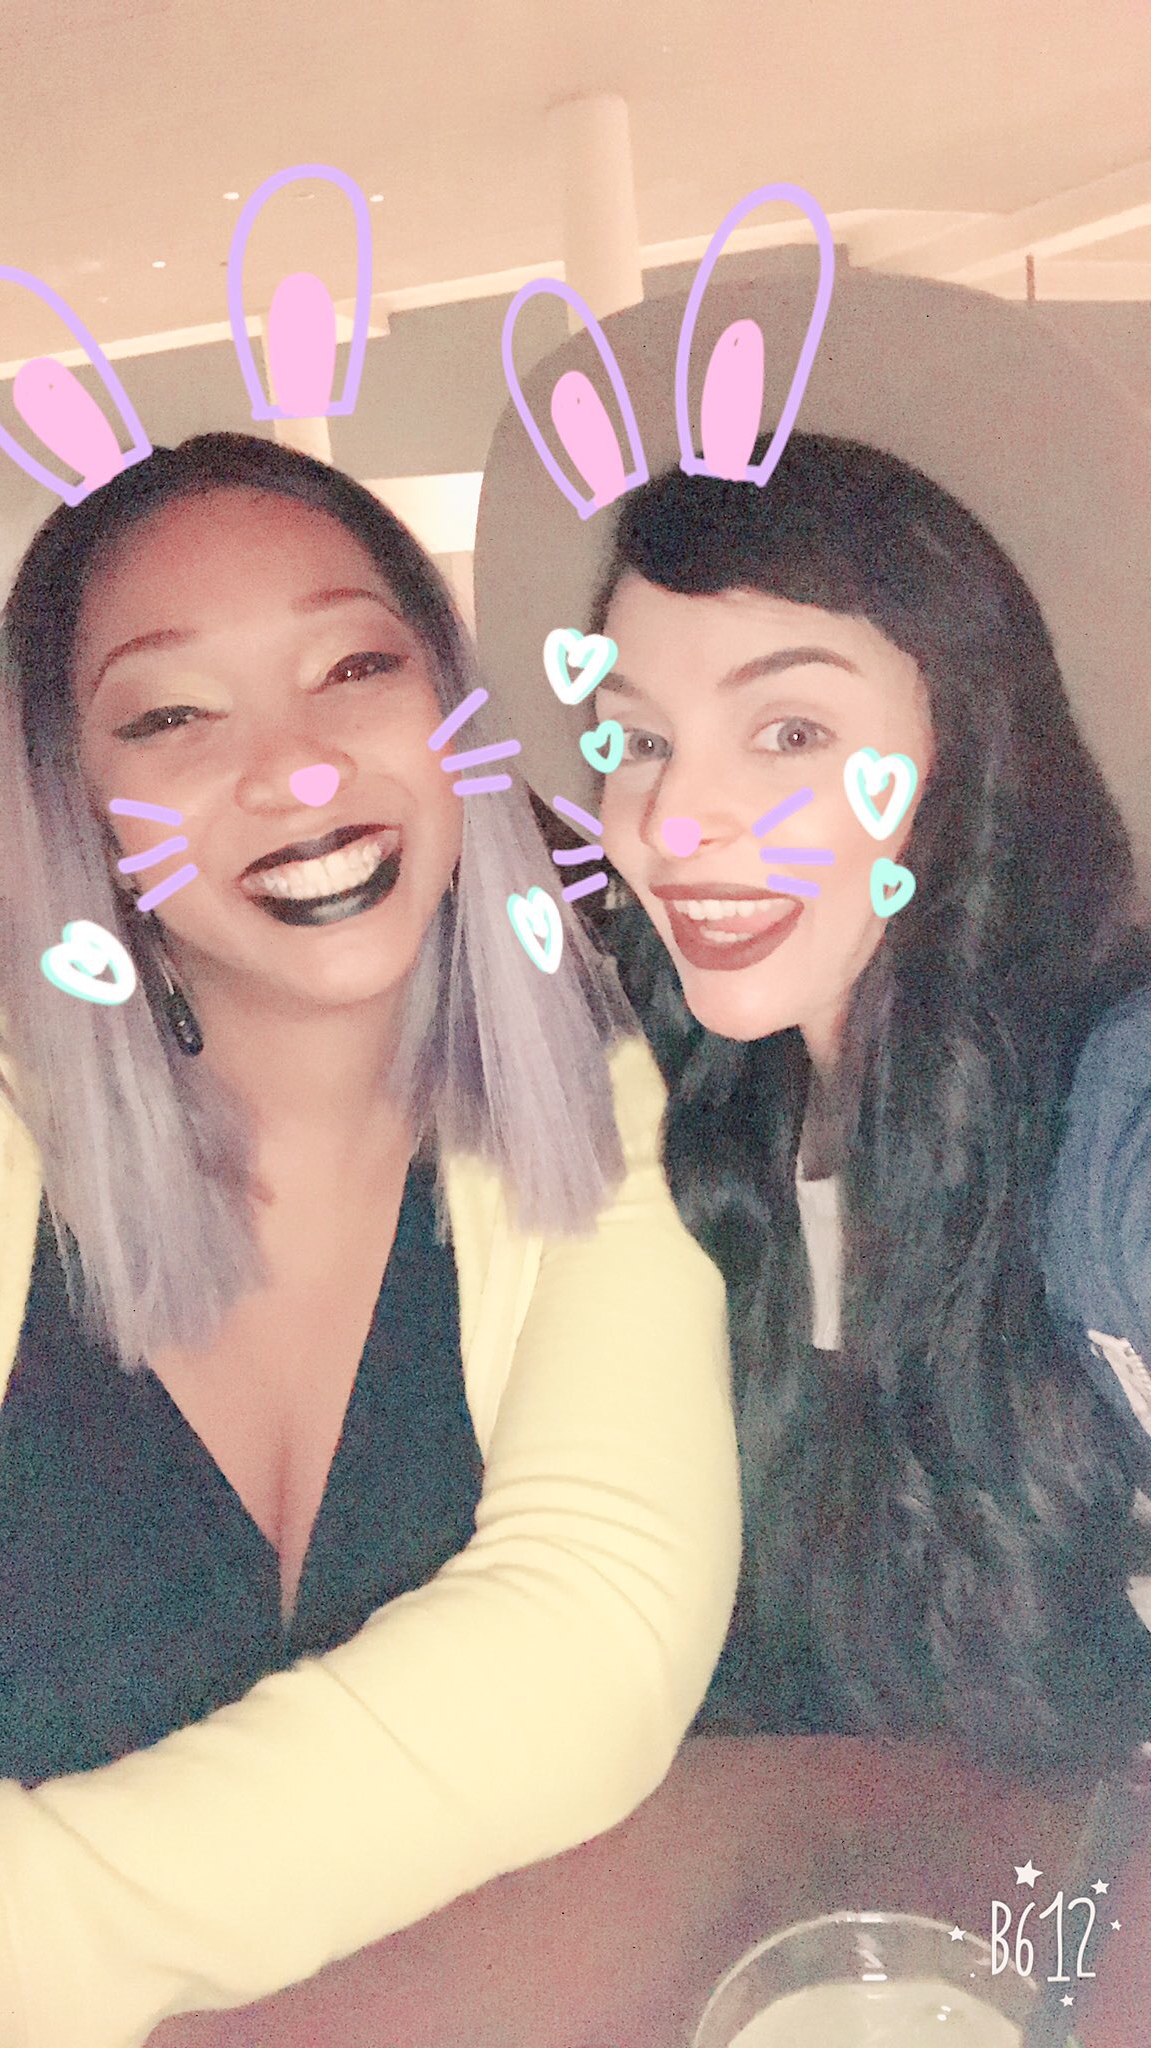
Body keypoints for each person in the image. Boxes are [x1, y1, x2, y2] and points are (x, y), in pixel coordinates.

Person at [0, 432, 740, 2048]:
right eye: (173, 716)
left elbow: (596, 1643)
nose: (302, 770)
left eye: (355, 669)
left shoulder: (587, 1097)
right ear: (80, 808)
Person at [474, 264, 1151, 1788]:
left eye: (788, 731)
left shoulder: (1110, 1102)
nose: (675, 820)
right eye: (636, 739)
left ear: (969, 748)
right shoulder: (682, 1107)